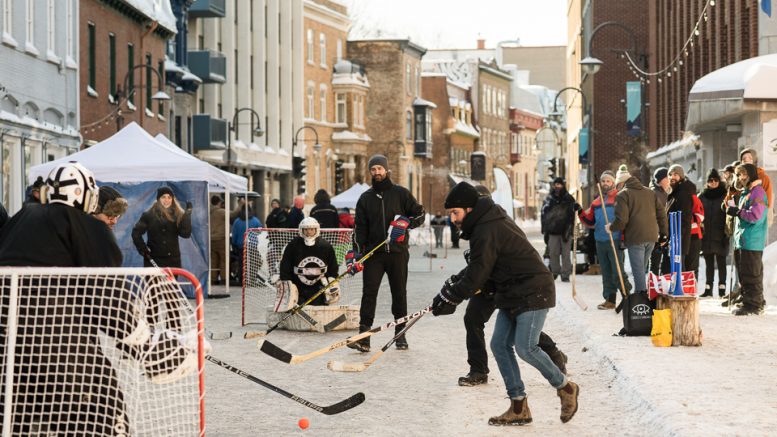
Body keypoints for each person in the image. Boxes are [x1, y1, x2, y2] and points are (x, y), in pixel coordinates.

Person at [0, 162, 203, 435]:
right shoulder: (88, 227)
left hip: (7, 357)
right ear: (88, 196)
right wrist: (153, 350)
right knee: (105, 414)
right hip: (60, 353)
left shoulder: (20, 219)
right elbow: (108, 301)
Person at [431, 182, 579, 426]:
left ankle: (566, 388)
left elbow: (478, 273)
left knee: (525, 347)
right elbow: (480, 269)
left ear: (469, 209)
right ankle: (519, 406)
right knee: (499, 344)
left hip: (533, 289)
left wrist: (454, 296)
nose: (453, 219)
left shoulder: (487, 228)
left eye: (455, 213)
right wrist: (450, 291)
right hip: (512, 291)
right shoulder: (484, 224)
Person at [456, 185, 568, 387]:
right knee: (472, 317)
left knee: (522, 331)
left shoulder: (496, 223)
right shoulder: (476, 227)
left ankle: (553, 354)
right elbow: (478, 264)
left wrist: (465, 286)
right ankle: (478, 369)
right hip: (486, 284)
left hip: (509, 285)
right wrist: (457, 282)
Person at [348, 154, 425, 352]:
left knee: (399, 293)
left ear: (386, 170)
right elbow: (359, 229)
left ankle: (400, 335)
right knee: (369, 293)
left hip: (398, 253)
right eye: (373, 170)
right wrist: (357, 253)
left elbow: (419, 213)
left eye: (379, 169)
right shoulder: (365, 199)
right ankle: (364, 337)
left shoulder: (400, 193)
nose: (376, 173)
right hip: (374, 255)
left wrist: (407, 222)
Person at [608, 166, 668, 296]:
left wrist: (611, 227)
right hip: (652, 237)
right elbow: (662, 214)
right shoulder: (650, 192)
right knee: (641, 269)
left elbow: (621, 220)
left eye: (618, 185)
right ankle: (640, 296)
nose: (617, 189)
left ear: (622, 182)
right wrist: (664, 233)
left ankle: (641, 300)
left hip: (636, 237)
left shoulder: (623, 195)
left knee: (638, 270)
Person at [578, 171, 628, 310]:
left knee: (617, 270)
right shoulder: (596, 202)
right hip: (600, 240)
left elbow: (624, 218)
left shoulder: (619, 198)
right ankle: (610, 299)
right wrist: (580, 211)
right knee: (606, 271)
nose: (606, 183)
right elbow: (589, 220)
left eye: (608, 181)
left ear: (613, 183)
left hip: (615, 239)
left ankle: (626, 296)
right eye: (603, 181)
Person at [726, 163, 767, 315]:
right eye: (738, 175)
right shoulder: (745, 193)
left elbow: (756, 216)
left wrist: (738, 212)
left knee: (751, 273)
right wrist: (732, 208)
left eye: (744, 174)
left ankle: (753, 304)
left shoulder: (757, 192)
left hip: (752, 240)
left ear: (751, 175)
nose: (741, 178)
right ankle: (750, 300)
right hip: (742, 239)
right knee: (744, 273)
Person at [279, 217, 340, 307]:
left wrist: (332, 281)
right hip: (298, 288)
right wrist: (287, 283)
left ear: (317, 229)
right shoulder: (293, 245)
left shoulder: (325, 246)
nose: (309, 232)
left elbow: (333, 267)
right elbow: (285, 266)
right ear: (301, 230)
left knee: (318, 313)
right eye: (306, 229)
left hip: (320, 289)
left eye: (311, 229)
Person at [132, 186, 193, 268]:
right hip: (153, 259)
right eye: (163, 197)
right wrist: (143, 249)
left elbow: (185, 234)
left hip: (173, 260)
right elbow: (136, 233)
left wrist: (187, 216)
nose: (166, 200)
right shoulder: (149, 215)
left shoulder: (178, 215)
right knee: (154, 281)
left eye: (169, 197)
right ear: (158, 199)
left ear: (172, 199)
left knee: (171, 281)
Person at [698, 169, 729, 297]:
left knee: (721, 263)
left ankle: (722, 289)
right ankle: (708, 288)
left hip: (721, 234)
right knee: (709, 263)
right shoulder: (702, 196)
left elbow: (729, 214)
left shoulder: (725, 195)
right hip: (707, 235)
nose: (713, 182)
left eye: (716, 180)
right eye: (711, 180)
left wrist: (727, 232)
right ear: (707, 182)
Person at [541, 177, 577, 282]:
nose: (558, 187)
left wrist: (570, 228)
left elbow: (572, 215)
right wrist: (545, 229)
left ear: (563, 185)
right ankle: (555, 271)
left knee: (566, 254)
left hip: (565, 231)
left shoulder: (569, 199)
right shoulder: (549, 199)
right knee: (553, 253)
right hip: (553, 231)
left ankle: (565, 274)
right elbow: (544, 215)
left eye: (560, 185)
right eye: (556, 185)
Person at [667, 165, 696, 271]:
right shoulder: (674, 193)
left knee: (679, 269)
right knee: (676, 268)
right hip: (674, 237)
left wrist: (677, 238)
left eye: (675, 174)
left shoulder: (683, 193)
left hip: (679, 238)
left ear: (681, 177)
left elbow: (684, 217)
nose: (672, 177)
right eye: (670, 175)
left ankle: (680, 288)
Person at [739, 148, 773, 227]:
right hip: (742, 217)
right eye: (744, 159)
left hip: (757, 217)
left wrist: (760, 182)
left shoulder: (762, 176)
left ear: (754, 160)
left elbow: (768, 197)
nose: (747, 160)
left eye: (750, 158)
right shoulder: (739, 176)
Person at [231, 204, 262, 283]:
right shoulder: (256, 220)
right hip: (253, 245)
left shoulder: (237, 221)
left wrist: (234, 243)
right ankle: (251, 280)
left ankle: (242, 280)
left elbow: (234, 234)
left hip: (241, 245)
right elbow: (260, 233)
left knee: (242, 263)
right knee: (252, 263)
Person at [649, 167, 672, 275]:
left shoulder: (666, 192)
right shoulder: (654, 193)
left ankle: (661, 284)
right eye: (667, 177)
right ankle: (653, 286)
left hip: (665, 231)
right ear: (660, 180)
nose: (669, 179)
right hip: (656, 232)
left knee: (665, 261)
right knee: (655, 261)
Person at [210, 195, 227, 285]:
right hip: (220, 239)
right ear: (219, 202)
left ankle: (213, 279)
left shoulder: (208, 211)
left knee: (213, 260)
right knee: (223, 260)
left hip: (211, 239)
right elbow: (233, 215)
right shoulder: (221, 212)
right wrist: (240, 205)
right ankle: (224, 279)